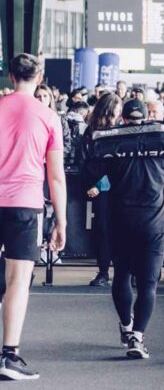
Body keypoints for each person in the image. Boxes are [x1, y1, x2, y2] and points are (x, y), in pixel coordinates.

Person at [82, 94, 164, 360]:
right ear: (147, 118)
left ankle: (127, 327)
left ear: (123, 118)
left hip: (122, 221)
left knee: (123, 275)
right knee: (148, 283)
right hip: (154, 223)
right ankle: (137, 337)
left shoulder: (112, 145)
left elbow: (90, 173)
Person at [0, 55, 67, 381]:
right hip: (25, 205)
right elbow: (56, 177)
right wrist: (62, 221)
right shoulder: (49, 116)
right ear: (39, 78)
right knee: (18, 280)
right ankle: (9, 356)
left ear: (11, 76)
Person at [82, 95, 120, 288]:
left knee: (120, 230)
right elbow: (86, 160)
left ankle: (122, 272)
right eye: (117, 109)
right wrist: (93, 184)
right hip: (101, 188)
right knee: (103, 230)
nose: (119, 113)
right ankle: (103, 272)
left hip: (118, 187)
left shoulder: (120, 130)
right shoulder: (91, 131)